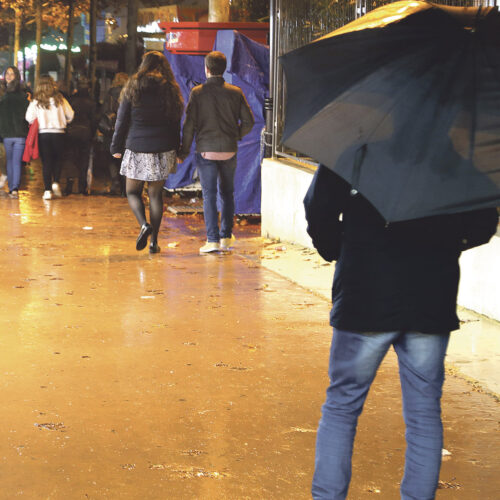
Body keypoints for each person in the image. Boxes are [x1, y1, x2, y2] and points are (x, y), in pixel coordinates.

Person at [304, 165, 499, 500]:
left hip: (365, 293)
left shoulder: (357, 148)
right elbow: (483, 223)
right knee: (424, 414)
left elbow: (317, 207)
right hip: (430, 297)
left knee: (342, 405)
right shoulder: (457, 158)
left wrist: (340, 249)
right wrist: (442, 245)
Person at [178, 50, 254, 254]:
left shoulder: (198, 93)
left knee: (209, 195)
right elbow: (249, 121)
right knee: (227, 193)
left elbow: (189, 126)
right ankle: (226, 237)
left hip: (206, 151)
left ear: (207, 69)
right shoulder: (235, 92)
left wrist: (183, 152)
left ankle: (212, 240)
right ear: (224, 68)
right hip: (229, 150)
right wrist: (235, 135)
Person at [111, 51, 184, 254]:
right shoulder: (170, 88)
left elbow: (122, 120)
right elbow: (175, 122)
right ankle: (154, 243)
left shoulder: (133, 86)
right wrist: (178, 148)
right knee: (156, 195)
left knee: (132, 192)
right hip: (163, 148)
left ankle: (144, 225)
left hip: (137, 147)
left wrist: (116, 147)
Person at [25, 75, 74, 200]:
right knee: (58, 159)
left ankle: (47, 190)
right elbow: (71, 115)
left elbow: (28, 118)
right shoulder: (60, 99)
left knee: (46, 162)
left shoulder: (36, 101)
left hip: (44, 134)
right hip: (60, 133)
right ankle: (56, 182)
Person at [0, 66, 29, 198]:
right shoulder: (24, 97)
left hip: (8, 135)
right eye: (7, 74)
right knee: (15, 162)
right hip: (19, 135)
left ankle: (12, 187)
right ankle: (14, 189)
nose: (9, 76)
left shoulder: (3, 97)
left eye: (12, 74)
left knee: (11, 161)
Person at [65, 76, 96, 195]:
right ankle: (82, 187)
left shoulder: (71, 100)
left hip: (71, 132)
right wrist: (92, 133)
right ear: (88, 88)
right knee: (84, 159)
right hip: (85, 132)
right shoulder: (92, 102)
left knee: (71, 158)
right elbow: (94, 120)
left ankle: (69, 185)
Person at [99, 72, 128, 195]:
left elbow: (103, 111)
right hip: (125, 131)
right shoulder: (129, 94)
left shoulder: (109, 94)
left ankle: (115, 180)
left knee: (111, 158)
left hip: (110, 131)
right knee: (124, 159)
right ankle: (124, 188)